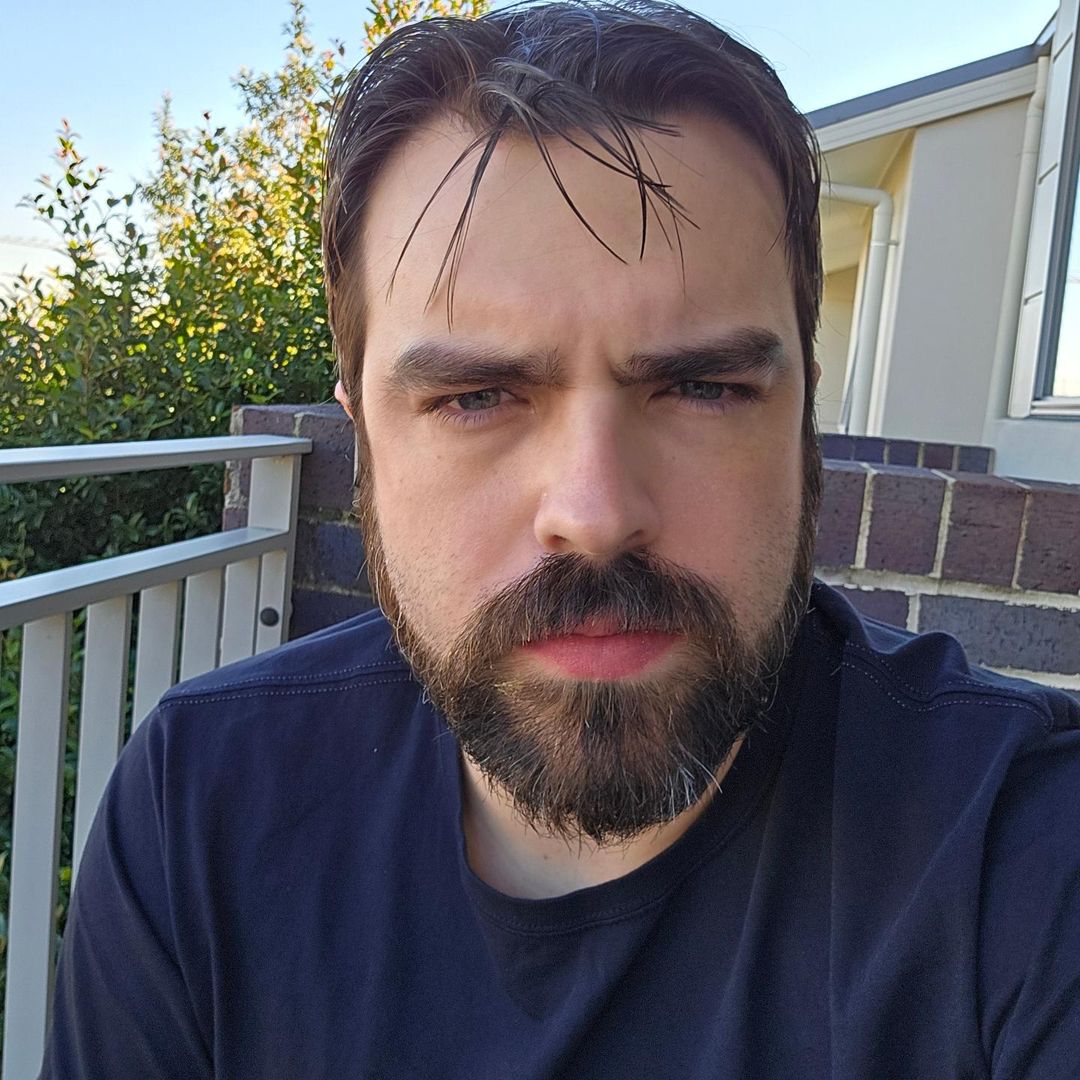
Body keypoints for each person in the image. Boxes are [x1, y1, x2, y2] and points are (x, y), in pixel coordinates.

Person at [42, 2, 1080, 1077]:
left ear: (802, 419)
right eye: (475, 397)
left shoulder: (1026, 848)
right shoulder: (202, 807)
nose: (593, 512)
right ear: (365, 445)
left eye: (704, 387)